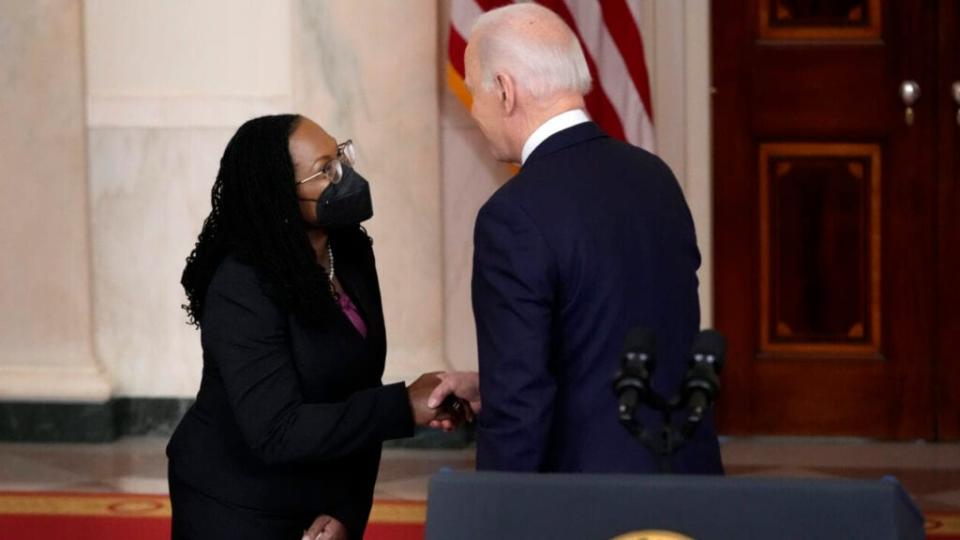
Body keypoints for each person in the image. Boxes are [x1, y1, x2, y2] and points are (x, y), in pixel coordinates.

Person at [433, 3, 723, 474]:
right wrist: (493, 386)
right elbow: (610, 337)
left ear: (504, 90)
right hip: (686, 482)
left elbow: (519, 412)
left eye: (475, 92)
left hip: (584, 503)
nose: (476, 111)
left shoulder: (512, 215)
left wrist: (493, 516)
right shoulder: (656, 178)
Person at [167, 114, 465, 540]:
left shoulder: (350, 253)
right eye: (326, 170)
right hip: (236, 504)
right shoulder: (241, 284)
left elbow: (361, 387)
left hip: (320, 498)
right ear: (279, 196)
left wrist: (347, 508)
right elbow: (277, 429)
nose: (346, 176)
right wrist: (404, 406)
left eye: (340, 155)